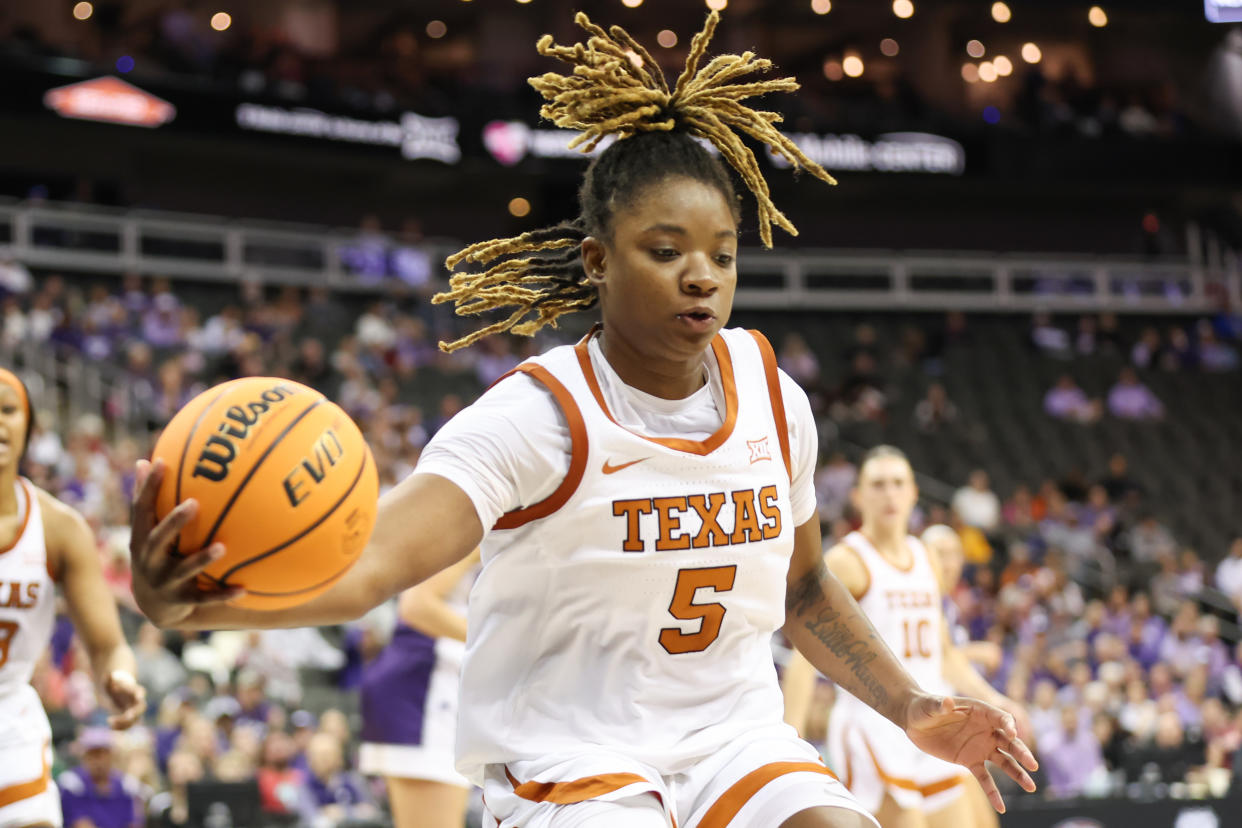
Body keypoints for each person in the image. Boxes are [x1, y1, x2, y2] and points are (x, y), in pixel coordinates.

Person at [128, 12, 1036, 828]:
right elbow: (369, 567)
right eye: (665, 250)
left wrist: (912, 703)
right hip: (571, 758)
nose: (703, 276)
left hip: (734, 744)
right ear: (598, 260)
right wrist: (202, 606)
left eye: (722, 254)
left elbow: (801, 596)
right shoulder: (538, 417)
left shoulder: (773, 395)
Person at [783, 449, 1030, 828]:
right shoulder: (847, 559)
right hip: (872, 725)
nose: (889, 494)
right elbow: (805, 657)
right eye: (877, 485)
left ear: (914, 493)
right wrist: (791, 740)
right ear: (858, 497)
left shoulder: (924, 556)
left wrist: (994, 699)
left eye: (898, 483)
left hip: (935, 721)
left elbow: (944, 654)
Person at [0, 368, 145, 828]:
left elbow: (107, 646)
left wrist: (120, 677)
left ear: (29, 428)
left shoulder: (60, 527)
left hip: (9, 722)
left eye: (7, 409)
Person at [359, 550, 480, 828]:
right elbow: (416, 605)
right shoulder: (478, 517)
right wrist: (495, 643)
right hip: (425, 686)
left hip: (442, 686)